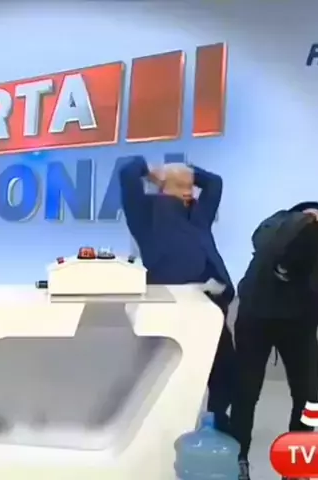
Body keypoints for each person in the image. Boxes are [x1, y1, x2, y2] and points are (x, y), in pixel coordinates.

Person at [119, 156, 235, 432]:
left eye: (190, 186)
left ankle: (217, 420)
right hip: (171, 304)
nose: (188, 192)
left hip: (209, 302)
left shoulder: (199, 213)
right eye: (180, 186)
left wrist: (190, 173)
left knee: (225, 368)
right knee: (172, 370)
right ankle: (163, 428)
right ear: (162, 186)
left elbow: (214, 183)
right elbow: (127, 173)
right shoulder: (145, 213)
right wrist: (151, 171)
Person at [230, 202, 318, 480]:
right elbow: (264, 244)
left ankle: (296, 466)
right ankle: (238, 460)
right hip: (256, 318)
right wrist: (302, 220)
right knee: (246, 393)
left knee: (307, 397)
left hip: (298, 323)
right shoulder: (275, 229)